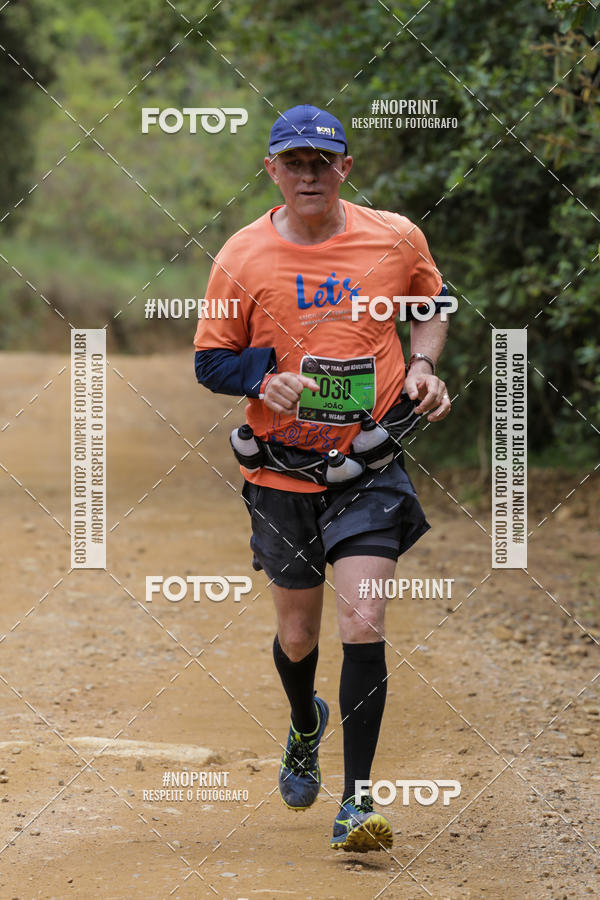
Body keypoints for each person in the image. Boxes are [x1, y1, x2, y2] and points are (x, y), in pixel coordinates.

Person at [194, 104, 451, 852]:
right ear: (272, 170)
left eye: (322, 162)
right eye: (294, 163)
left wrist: (424, 365)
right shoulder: (241, 255)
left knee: (362, 621)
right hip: (282, 473)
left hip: (368, 468)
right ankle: (305, 722)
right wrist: (261, 379)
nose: (309, 175)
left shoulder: (395, 237)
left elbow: (432, 305)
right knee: (299, 633)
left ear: (345, 168)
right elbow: (210, 361)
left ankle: (357, 800)